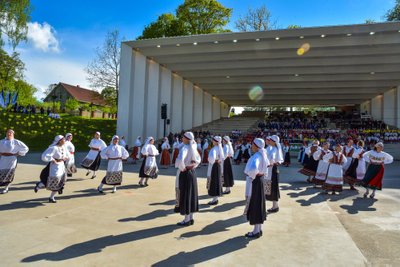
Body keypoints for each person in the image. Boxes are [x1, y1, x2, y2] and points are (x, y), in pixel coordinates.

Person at [243, 138, 269, 238]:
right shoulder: (262, 155)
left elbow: (253, 169)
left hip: (256, 182)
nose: (251, 146)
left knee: (255, 204)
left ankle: (256, 231)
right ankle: (258, 229)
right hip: (260, 180)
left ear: (257, 146)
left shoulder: (257, 156)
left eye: (252, 144)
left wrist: (252, 176)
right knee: (258, 204)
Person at [175, 132, 201, 226]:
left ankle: (186, 219)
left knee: (185, 195)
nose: (182, 138)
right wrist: (193, 165)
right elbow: (198, 160)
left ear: (186, 139)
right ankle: (190, 218)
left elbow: (180, 160)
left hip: (185, 173)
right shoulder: (193, 148)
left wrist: (183, 168)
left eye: (183, 137)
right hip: (192, 173)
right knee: (191, 195)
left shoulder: (185, 148)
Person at [34, 135, 70, 203]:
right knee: (52, 180)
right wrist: (52, 159)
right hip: (54, 167)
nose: (64, 141)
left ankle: (51, 197)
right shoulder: (54, 148)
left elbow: (67, 155)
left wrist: (65, 158)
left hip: (61, 166)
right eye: (63, 139)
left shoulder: (63, 147)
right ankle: (39, 185)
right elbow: (44, 155)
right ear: (59, 141)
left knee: (60, 182)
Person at [0, 129, 29, 194]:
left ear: (13, 134)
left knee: (10, 173)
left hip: (12, 160)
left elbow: (26, 148)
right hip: (3, 159)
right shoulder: (1, 142)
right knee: (1, 172)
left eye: (11, 133)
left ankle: (6, 188)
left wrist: (19, 153)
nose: (9, 134)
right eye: (8, 133)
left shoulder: (16, 142)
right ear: (6, 133)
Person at [265, 135, 283, 213]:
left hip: (272, 170)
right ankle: (274, 205)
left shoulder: (275, 149)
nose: (270, 141)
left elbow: (272, 159)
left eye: (271, 140)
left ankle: (275, 206)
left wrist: (269, 163)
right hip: (270, 169)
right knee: (271, 187)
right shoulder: (271, 148)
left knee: (273, 188)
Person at [207, 136, 225, 205]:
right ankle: (215, 198)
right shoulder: (219, 148)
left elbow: (211, 158)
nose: (212, 141)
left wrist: (212, 160)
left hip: (214, 166)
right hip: (218, 166)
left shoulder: (214, 149)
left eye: (213, 140)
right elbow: (222, 157)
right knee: (217, 181)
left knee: (214, 181)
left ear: (216, 142)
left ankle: (214, 199)